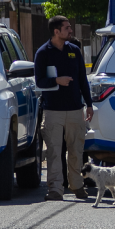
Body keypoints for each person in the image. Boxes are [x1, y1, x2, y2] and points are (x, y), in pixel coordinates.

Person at [34, 16, 94, 201]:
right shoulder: (43, 53)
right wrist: (56, 81)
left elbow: (83, 79)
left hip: (75, 110)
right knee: (54, 153)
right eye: (67, 28)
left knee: (76, 151)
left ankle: (77, 186)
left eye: (70, 27)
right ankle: (55, 189)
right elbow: (39, 82)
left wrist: (89, 104)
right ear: (56, 31)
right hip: (52, 111)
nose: (70, 30)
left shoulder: (74, 50)